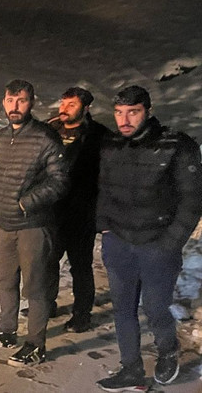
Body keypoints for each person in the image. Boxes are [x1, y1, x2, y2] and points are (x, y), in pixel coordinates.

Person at [95, 86, 202, 391]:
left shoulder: (176, 145)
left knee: (156, 308)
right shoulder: (111, 145)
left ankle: (167, 349)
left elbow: (193, 199)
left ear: (148, 111)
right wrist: (105, 228)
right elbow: (103, 190)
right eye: (119, 112)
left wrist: (171, 242)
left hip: (158, 244)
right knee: (123, 309)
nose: (124, 120)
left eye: (133, 112)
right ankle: (130, 368)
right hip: (119, 243)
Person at [0, 79, 68, 367]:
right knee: (5, 279)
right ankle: (6, 331)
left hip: (32, 225)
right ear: (3, 101)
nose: (15, 107)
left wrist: (26, 202)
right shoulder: (2, 136)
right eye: (11, 101)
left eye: (22, 100)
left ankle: (36, 344)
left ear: (31, 102)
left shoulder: (44, 137)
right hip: (5, 224)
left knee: (36, 286)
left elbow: (60, 181)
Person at [46, 87, 111, 333]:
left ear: (85, 108)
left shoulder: (99, 136)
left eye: (71, 105)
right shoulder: (50, 130)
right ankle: (46, 304)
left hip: (81, 212)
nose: (64, 109)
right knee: (48, 261)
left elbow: (107, 176)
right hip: (52, 210)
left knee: (80, 266)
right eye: (63, 103)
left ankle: (82, 314)